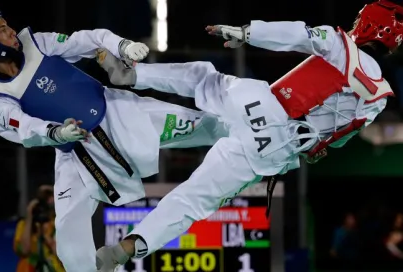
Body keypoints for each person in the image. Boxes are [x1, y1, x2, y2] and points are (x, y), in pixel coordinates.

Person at [95, 0, 403, 270]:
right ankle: (128, 248)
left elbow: (297, 34)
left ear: (368, 25)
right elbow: (342, 138)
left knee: (202, 78)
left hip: (262, 106)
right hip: (275, 150)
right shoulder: (380, 98)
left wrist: (247, 33)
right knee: (194, 200)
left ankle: (132, 74)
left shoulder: (341, 45)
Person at [0, 4, 226, 272]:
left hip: (122, 114)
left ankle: (260, 126)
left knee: (209, 125)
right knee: (69, 240)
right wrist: (55, 132)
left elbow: (88, 39)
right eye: (1, 29)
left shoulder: (36, 43)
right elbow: (19, 125)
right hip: (77, 154)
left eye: (7, 24)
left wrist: (121, 46)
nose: (11, 31)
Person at [14, 185, 64, 272]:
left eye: (49, 195)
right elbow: (25, 250)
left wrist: (48, 240)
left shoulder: (59, 224)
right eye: (43, 197)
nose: (46, 200)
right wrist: (30, 215)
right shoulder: (24, 225)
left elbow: (65, 257)